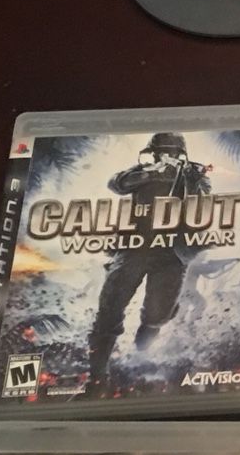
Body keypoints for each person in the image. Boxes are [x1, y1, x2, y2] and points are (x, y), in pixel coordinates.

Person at [87, 131, 209, 391]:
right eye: (163, 152)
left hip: (171, 254)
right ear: (154, 153)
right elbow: (117, 183)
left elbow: (203, 202)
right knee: (110, 307)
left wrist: (189, 180)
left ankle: (139, 355)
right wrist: (152, 174)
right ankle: (97, 377)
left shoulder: (192, 174)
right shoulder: (142, 172)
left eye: (173, 152)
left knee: (158, 314)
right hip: (134, 248)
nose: (168, 156)